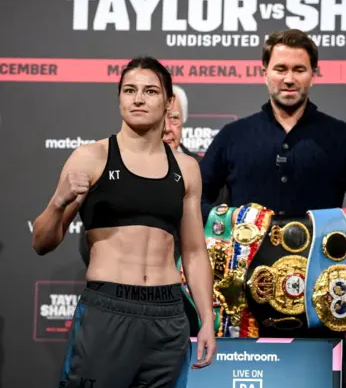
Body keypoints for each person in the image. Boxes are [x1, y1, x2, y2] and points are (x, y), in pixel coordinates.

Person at [199, 29, 346, 388]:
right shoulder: (234, 137)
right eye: (280, 68)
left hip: (320, 301)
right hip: (242, 302)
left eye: (299, 69)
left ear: (314, 73)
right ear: (264, 70)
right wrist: (230, 224)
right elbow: (196, 202)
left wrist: (340, 231)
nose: (289, 78)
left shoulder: (342, 138)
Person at [31, 56, 216, 387]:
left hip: (168, 316)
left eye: (150, 91)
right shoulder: (92, 157)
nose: (139, 99)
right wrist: (58, 201)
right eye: (130, 90)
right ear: (119, 98)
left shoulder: (186, 168)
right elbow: (41, 243)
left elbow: (195, 252)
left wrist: (206, 319)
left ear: (168, 100)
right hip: (108, 310)